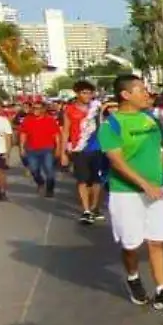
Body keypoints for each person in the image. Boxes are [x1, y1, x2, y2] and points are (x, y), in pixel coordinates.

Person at [99, 73, 163, 312]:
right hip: (126, 193)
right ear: (125, 95)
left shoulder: (153, 120)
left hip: (159, 190)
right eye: (141, 90)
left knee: (157, 240)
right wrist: (144, 184)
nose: (147, 94)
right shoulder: (111, 125)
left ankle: (162, 289)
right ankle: (133, 277)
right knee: (131, 243)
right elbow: (117, 162)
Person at [63, 80, 107, 225]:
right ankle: (86, 210)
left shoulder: (97, 108)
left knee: (96, 180)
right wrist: (63, 152)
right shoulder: (69, 109)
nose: (87, 95)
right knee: (82, 180)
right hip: (79, 149)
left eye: (89, 92)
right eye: (84, 93)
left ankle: (95, 207)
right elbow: (66, 130)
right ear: (77, 93)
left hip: (96, 147)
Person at [17, 101, 63, 197]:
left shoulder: (50, 120)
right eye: (33, 108)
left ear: (43, 109)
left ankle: (50, 189)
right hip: (31, 149)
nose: (35, 110)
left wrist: (58, 148)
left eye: (38, 108)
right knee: (34, 169)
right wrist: (21, 148)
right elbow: (23, 134)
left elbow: (56, 135)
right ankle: (40, 182)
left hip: (47, 149)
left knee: (49, 169)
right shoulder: (27, 120)